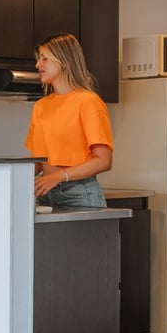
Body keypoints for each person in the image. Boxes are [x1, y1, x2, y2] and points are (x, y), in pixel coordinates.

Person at [24, 33, 113, 210]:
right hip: (44, 193)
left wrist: (58, 177)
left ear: (63, 60)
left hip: (79, 193)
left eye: (44, 58)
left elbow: (103, 160)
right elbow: (39, 161)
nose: (38, 65)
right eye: (38, 59)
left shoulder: (88, 102)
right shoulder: (41, 106)